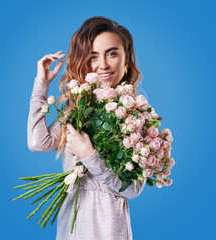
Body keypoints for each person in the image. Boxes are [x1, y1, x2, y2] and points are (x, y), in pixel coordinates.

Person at [27, 16, 146, 240]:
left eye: (112, 53)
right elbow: (37, 143)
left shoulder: (136, 117)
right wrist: (41, 84)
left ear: (126, 57)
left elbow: (132, 189)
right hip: (71, 223)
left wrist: (89, 155)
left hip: (109, 227)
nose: (103, 64)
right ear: (84, 61)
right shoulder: (77, 109)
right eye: (93, 56)